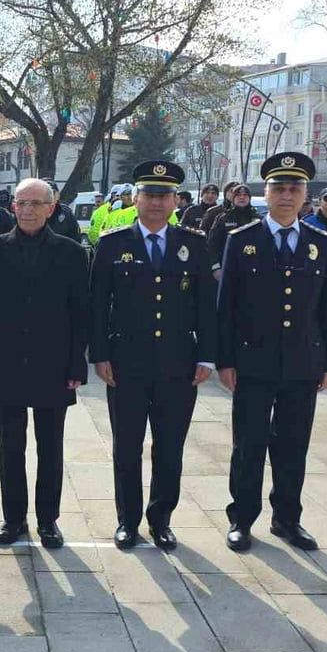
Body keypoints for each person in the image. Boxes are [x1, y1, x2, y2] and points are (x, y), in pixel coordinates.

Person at [90, 161, 216, 551]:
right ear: (137, 198)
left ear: (176, 200)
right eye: (150, 194)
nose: (157, 202)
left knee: (170, 445)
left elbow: (206, 306)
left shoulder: (193, 244)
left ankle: (161, 518)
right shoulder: (113, 243)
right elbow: (97, 305)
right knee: (127, 445)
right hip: (126, 362)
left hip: (178, 361)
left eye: (165, 195)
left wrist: (207, 356)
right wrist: (100, 354)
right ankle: (128, 520)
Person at [217, 152, 327, 553]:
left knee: (293, 445)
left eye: (294, 189)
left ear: (305, 196)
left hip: (303, 363)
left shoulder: (320, 243)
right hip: (253, 362)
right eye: (279, 188)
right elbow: (227, 307)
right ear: (263, 194)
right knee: (248, 445)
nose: (286, 196)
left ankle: (288, 519)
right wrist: (226, 360)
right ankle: (241, 520)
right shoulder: (242, 241)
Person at [0, 178, 88, 549]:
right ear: (13, 207)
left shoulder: (71, 253)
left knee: (50, 447)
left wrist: (76, 367)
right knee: (10, 447)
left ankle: (48, 520)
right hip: (6, 366)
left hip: (53, 366)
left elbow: (78, 314)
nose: (27, 210)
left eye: (36, 203)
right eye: (21, 203)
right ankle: (13, 518)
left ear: (51, 208)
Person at [206, 183, 260, 278]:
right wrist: (215, 267)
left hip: (252, 269)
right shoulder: (223, 218)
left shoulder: (257, 219)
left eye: (245, 195)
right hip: (227, 267)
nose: (242, 197)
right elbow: (212, 244)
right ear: (233, 198)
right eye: (238, 195)